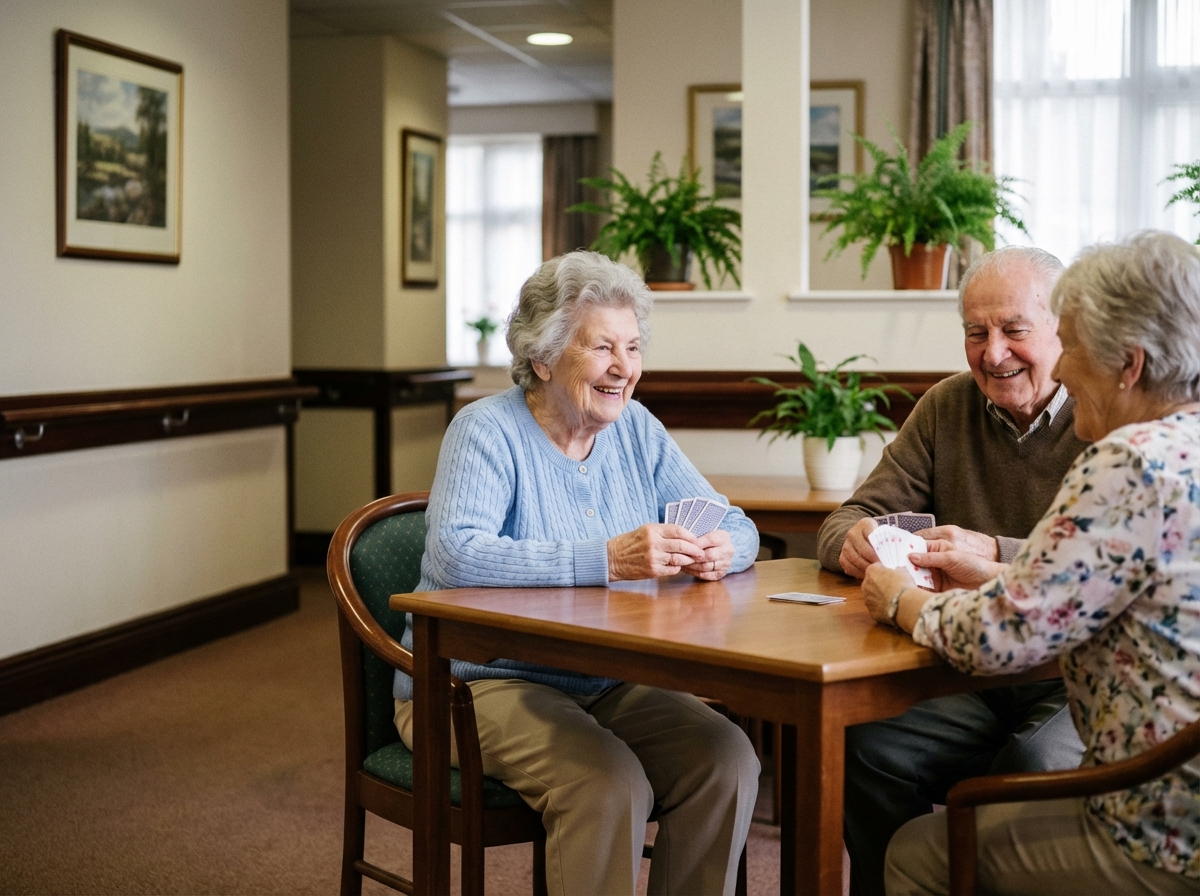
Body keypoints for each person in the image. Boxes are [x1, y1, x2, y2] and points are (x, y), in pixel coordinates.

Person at [391, 250, 762, 896]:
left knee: (727, 761)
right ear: (543, 357)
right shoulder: (484, 430)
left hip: (605, 676)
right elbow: (455, 554)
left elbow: (737, 524)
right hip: (472, 683)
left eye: (634, 347)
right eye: (602, 348)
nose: (624, 368)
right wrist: (608, 559)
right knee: (608, 783)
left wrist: (725, 548)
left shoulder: (637, 431)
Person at [863, 231, 1200, 895]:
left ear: (1128, 364)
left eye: (1071, 346)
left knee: (913, 852)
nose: (1066, 369)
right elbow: (1101, 590)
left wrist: (899, 599)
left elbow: (1000, 635)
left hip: (1158, 821)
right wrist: (996, 575)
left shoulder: (1128, 462)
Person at [816, 246, 1091, 895]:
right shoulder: (947, 406)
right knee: (866, 747)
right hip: (969, 668)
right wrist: (853, 540)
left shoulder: (1106, 409)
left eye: (1014, 331)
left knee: (1030, 762)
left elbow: (1097, 557)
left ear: (1063, 329)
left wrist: (994, 551)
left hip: (1073, 676)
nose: (993, 354)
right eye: (976, 332)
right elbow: (846, 517)